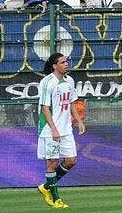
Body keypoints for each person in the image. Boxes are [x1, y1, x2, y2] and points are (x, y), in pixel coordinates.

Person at [36, 52, 84, 210]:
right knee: (52, 163)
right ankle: (56, 200)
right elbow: (45, 108)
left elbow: (71, 103)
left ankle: (46, 187)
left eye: (66, 61)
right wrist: (54, 129)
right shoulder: (47, 82)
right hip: (50, 130)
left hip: (66, 129)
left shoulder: (69, 80)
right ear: (54, 66)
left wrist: (78, 121)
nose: (66, 64)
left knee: (71, 160)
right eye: (62, 62)